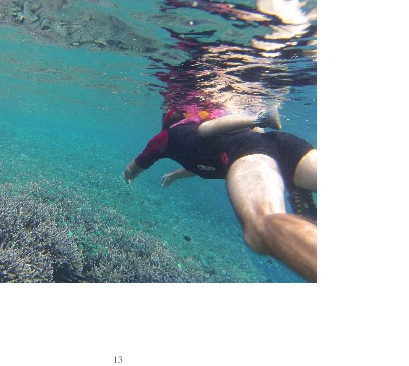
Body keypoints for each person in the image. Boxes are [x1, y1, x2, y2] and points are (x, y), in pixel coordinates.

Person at [122, 105, 317, 283]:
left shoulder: (166, 136)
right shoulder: (199, 138)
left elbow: (136, 165)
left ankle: (294, 186)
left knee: (261, 228)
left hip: (249, 154)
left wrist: (127, 176)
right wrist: (175, 176)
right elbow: (201, 164)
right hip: (283, 144)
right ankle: (295, 186)